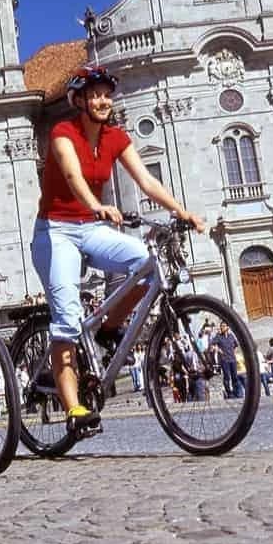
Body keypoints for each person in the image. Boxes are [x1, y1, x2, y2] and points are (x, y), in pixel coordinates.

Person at [32, 65, 206, 438]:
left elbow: (146, 180)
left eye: (106, 94)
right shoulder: (64, 132)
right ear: (79, 100)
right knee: (67, 318)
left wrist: (182, 211)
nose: (102, 100)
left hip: (92, 228)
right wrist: (96, 204)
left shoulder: (115, 137)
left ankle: (109, 331)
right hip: (56, 231)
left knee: (146, 263)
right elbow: (73, 174)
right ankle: (74, 408)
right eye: (94, 94)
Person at [212, 322, 244, 399]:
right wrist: (218, 349)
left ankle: (236, 392)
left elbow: (236, 344)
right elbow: (212, 344)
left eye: (223, 326)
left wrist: (232, 351)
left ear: (227, 327)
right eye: (221, 326)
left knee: (235, 377)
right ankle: (229, 393)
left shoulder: (231, 336)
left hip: (232, 359)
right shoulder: (219, 336)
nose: (222, 328)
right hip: (224, 360)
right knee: (227, 377)